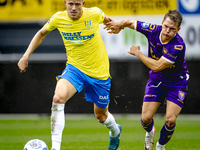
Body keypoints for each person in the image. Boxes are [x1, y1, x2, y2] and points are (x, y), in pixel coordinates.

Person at [17, 0, 121, 150]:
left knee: (101, 116)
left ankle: (115, 131)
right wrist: (25, 56)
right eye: (70, 3)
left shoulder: (95, 13)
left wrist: (116, 26)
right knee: (58, 98)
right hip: (75, 69)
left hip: (99, 72)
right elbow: (41, 33)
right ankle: (56, 148)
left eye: (77, 4)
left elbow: (109, 21)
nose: (73, 8)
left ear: (83, 3)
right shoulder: (58, 18)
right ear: (65, 2)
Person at [105, 10, 189, 150]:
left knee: (170, 120)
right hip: (157, 80)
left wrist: (138, 53)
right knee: (145, 119)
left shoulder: (178, 45)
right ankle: (150, 132)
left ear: (178, 29)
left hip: (176, 82)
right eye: (166, 26)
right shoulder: (153, 29)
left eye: (172, 28)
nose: (167, 31)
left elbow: (156, 66)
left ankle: (160, 146)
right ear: (162, 23)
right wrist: (118, 24)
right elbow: (131, 22)